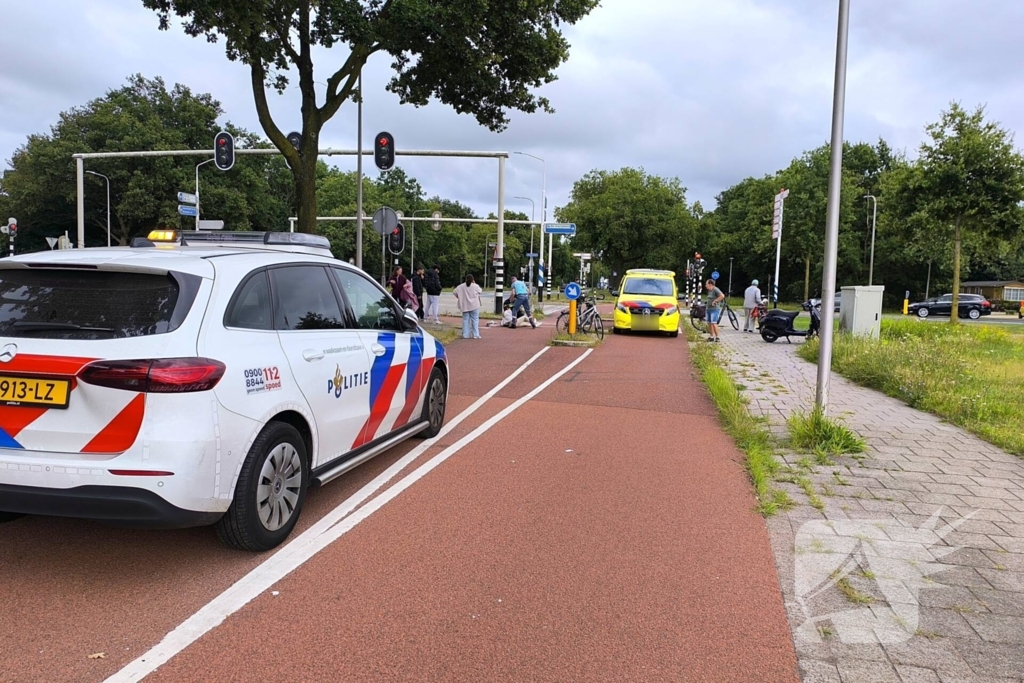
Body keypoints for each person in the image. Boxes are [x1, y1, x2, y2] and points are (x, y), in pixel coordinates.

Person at [453, 274, 483, 339]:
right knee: (475, 320)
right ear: (473, 280)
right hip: (474, 305)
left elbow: (454, 292)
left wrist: (459, 297)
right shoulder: (475, 286)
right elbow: (480, 291)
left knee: (465, 320)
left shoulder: (460, 286)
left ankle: (465, 335)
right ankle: (476, 334)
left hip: (465, 306)